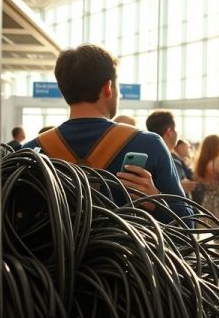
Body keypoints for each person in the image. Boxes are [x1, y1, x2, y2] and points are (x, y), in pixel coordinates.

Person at [22, 43, 191, 225]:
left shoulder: (31, 152)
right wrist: (156, 200)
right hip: (130, 253)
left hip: (52, 254)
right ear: (108, 88)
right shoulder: (149, 144)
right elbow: (188, 225)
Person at [145, 110, 196, 196]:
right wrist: (179, 188)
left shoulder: (147, 157)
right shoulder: (168, 161)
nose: (177, 133)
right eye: (176, 130)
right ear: (169, 132)